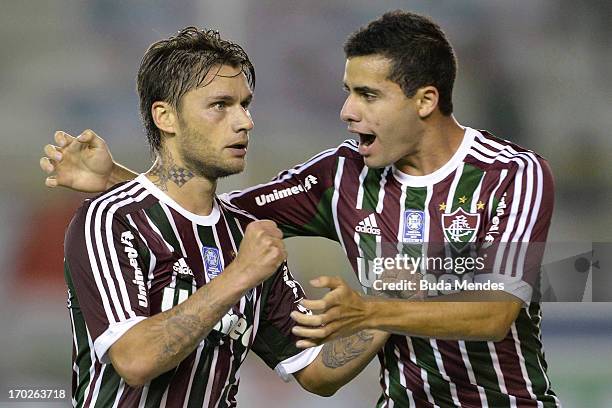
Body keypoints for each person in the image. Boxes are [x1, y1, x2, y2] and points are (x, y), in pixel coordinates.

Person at [41, 12, 561, 408]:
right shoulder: (342, 175)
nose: (347, 111)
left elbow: (494, 313)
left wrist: (376, 309)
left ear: (424, 101)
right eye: (346, 92)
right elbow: (203, 216)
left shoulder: (512, 175)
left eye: (367, 95)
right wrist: (120, 183)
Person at [51, 27, 389, 407]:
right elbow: (135, 358)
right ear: (165, 117)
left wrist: (386, 306)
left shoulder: (245, 235)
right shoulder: (111, 218)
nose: (244, 121)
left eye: (245, 104)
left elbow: (315, 371)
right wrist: (241, 274)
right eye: (220, 105)